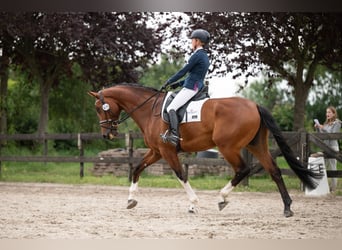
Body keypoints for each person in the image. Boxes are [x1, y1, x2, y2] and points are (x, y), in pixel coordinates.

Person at [161, 29, 210, 146]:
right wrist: (177, 84)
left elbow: (183, 71)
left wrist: (169, 81)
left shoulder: (197, 55)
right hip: (195, 85)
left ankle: (174, 135)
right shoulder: (204, 56)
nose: (191, 42)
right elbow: (194, 76)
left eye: (192, 40)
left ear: (197, 41)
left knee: (171, 108)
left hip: (191, 88)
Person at [314, 106, 341, 192]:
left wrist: (323, 128)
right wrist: (318, 128)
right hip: (324, 147)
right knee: (323, 166)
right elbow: (322, 136)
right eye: (326, 112)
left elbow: (332, 134)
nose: (327, 114)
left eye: (329, 112)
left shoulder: (338, 123)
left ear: (333, 114)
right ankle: (323, 187)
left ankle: (333, 188)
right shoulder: (325, 124)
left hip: (333, 147)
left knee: (333, 167)